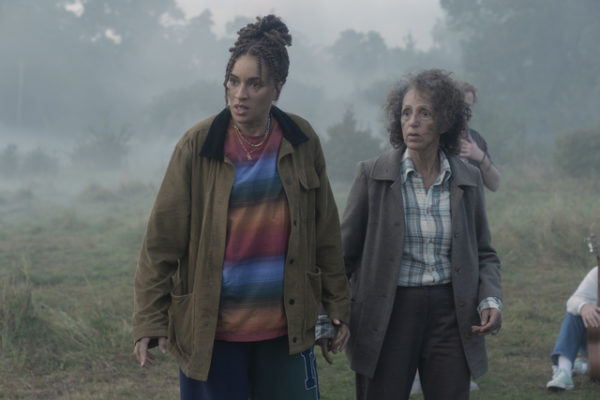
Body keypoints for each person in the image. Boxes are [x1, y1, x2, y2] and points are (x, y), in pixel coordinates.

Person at [132, 15, 350, 400]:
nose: (240, 94)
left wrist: (336, 305)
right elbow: (161, 242)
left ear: (277, 89)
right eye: (233, 81)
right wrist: (151, 318)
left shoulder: (302, 141)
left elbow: (325, 232)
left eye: (254, 83)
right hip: (213, 333)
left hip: (286, 329)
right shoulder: (197, 145)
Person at [341, 69, 503, 400]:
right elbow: (343, 256)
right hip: (387, 314)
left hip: (451, 314)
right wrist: (331, 314)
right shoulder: (372, 175)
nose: (412, 121)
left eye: (424, 113)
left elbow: (484, 253)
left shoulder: (468, 179)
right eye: (406, 112)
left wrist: (490, 298)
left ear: (445, 121)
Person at [546, 266, 599, 391]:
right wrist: (583, 306)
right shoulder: (597, 273)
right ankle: (564, 372)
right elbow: (573, 301)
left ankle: (584, 367)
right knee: (574, 315)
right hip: (596, 343)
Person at [458, 81, 501, 192]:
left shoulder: (476, 139)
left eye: (469, 106)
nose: (466, 111)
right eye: (462, 105)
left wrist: (481, 158)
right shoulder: (438, 139)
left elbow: (495, 185)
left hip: (473, 208)